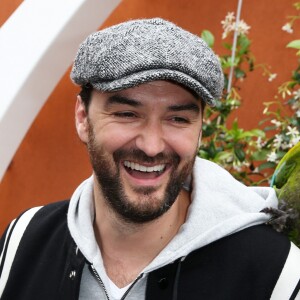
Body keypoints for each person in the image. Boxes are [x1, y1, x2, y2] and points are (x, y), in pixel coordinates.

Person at [0, 18, 299, 300]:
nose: (153, 146)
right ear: (83, 118)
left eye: (178, 119)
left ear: (200, 129)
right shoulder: (22, 242)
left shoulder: (278, 277)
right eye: (127, 114)